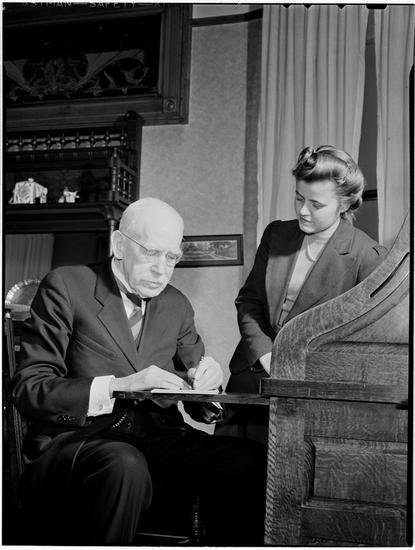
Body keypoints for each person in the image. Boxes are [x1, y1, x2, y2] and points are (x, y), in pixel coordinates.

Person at [11, 197, 266, 546]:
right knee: (125, 465)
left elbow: (197, 390)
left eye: (171, 257)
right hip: (81, 439)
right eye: (151, 253)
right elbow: (30, 388)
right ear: (119, 245)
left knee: (251, 462)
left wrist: (209, 386)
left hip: (160, 437)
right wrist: (119, 385)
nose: (162, 269)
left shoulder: (176, 304)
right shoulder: (67, 285)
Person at [216, 145, 388, 444]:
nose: (303, 211)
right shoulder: (276, 234)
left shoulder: (367, 255)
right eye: (299, 198)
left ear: (345, 204)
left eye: (316, 204)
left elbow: (364, 338)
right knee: (230, 463)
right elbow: (249, 301)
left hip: (309, 388)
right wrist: (266, 354)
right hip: (252, 375)